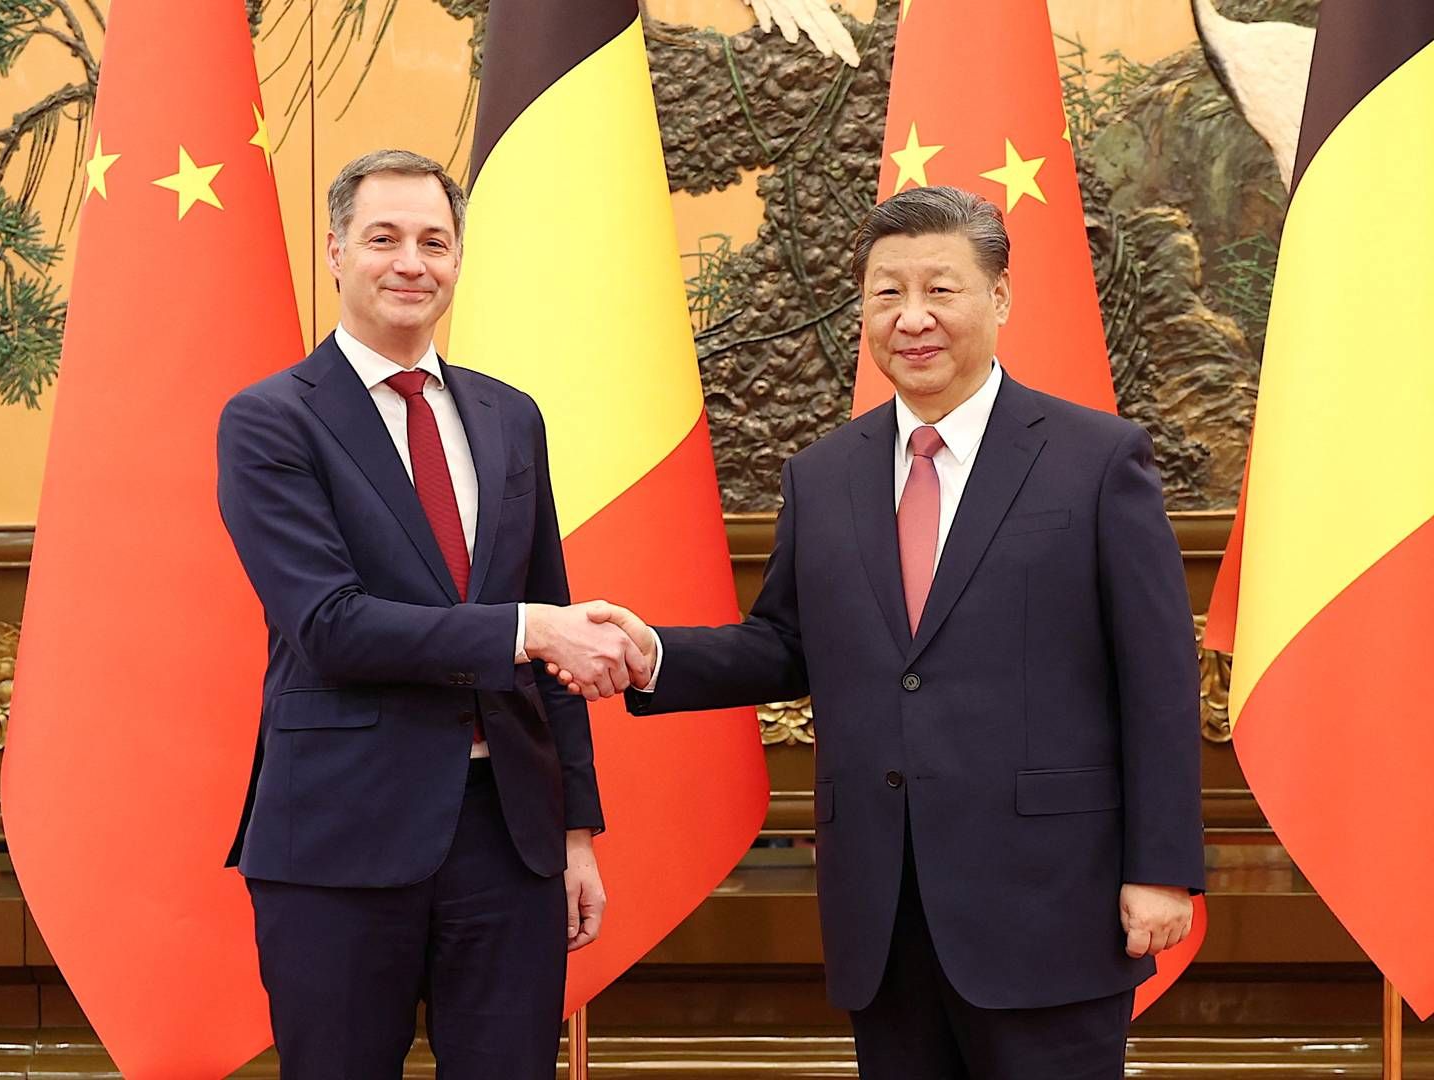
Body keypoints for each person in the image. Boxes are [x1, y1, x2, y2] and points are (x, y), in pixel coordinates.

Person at [566, 186, 1205, 1078]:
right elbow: (786, 642)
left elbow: (1160, 679)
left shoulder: (1097, 460)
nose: (913, 319)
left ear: (1001, 299)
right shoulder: (823, 474)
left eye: (941, 290)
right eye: (885, 293)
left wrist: (1163, 868)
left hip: (1052, 905)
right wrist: (652, 655)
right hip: (884, 909)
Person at [216, 148, 645, 1079]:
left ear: (458, 258)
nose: (412, 262)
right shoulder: (270, 420)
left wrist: (575, 831)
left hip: (510, 837)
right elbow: (329, 623)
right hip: (340, 835)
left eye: (435, 241)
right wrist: (525, 629)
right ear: (335, 252)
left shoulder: (508, 416)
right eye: (384, 238)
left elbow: (554, 620)